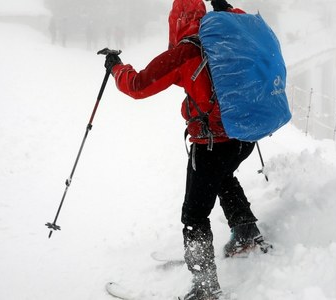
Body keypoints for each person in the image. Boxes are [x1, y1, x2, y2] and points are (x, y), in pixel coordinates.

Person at [103, 0, 271, 299]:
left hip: (212, 144)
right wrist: (227, 9)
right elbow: (249, 24)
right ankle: (245, 232)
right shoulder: (228, 35)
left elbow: (139, 85)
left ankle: (205, 288)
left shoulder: (185, 51)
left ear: (175, 21)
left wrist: (116, 68)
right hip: (244, 135)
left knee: (194, 215)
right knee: (224, 177)